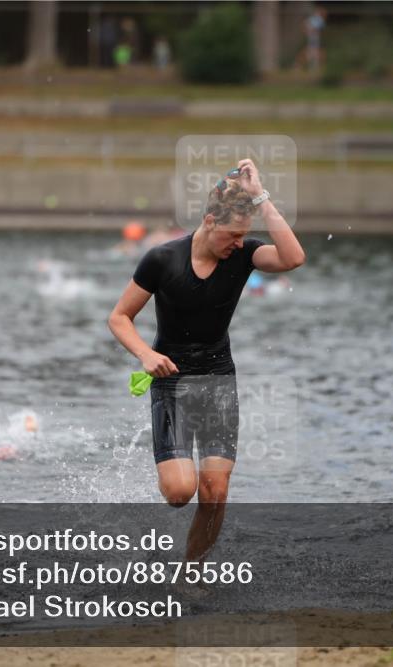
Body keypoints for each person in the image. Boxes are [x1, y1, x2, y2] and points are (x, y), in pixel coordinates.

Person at [107, 158, 305, 561]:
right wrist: (145, 354)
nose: (238, 243)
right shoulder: (162, 260)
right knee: (181, 493)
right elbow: (119, 317)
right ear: (210, 221)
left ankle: (191, 571)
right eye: (233, 234)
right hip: (172, 379)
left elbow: (293, 257)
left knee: (215, 492)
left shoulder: (244, 256)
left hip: (217, 379)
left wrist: (260, 196)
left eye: (244, 236)